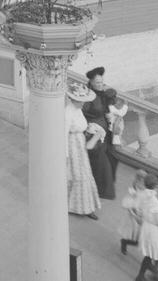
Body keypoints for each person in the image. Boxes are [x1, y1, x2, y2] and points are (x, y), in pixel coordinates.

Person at [66, 81, 102, 219]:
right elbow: (64, 132)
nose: (84, 104)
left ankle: (87, 206)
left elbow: (80, 124)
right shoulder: (68, 111)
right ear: (74, 99)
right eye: (81, 101)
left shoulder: (77, 108)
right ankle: (78, 206)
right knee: (78, 174)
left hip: (79, 141)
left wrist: (88, 128)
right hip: (73, 144)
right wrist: (66, 153)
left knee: (84, 173)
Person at [83, 65, 119, 199]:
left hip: (106, 133)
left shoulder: (102, 93)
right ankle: (101, 190)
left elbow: (111, 102)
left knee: (113, 157)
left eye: (101, 82)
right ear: (91, 82)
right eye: (97, 82)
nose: (100, 85)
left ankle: (104, 186)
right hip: (94, 134)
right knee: (101, 162)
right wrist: (90, 128)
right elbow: (82, 114)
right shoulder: (87, 97)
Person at [133, 173, 158, 280]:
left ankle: (145, 274)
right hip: (154, 229)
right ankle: (153, 273)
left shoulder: (141, 194)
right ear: (155, 186)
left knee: (152, 252)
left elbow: (137, 208)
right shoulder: (155, 202)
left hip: (146, 227)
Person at [119, 168, 149, 257]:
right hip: (134, 216)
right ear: (138, 180)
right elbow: (127, 204)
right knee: (135, 234)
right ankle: (124, 242)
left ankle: (128, 242)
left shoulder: (145, 189)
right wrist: (135, 215)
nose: (143, 184)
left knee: (140, 235)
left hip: (142, 214)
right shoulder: (133, 192)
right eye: (142, 180)